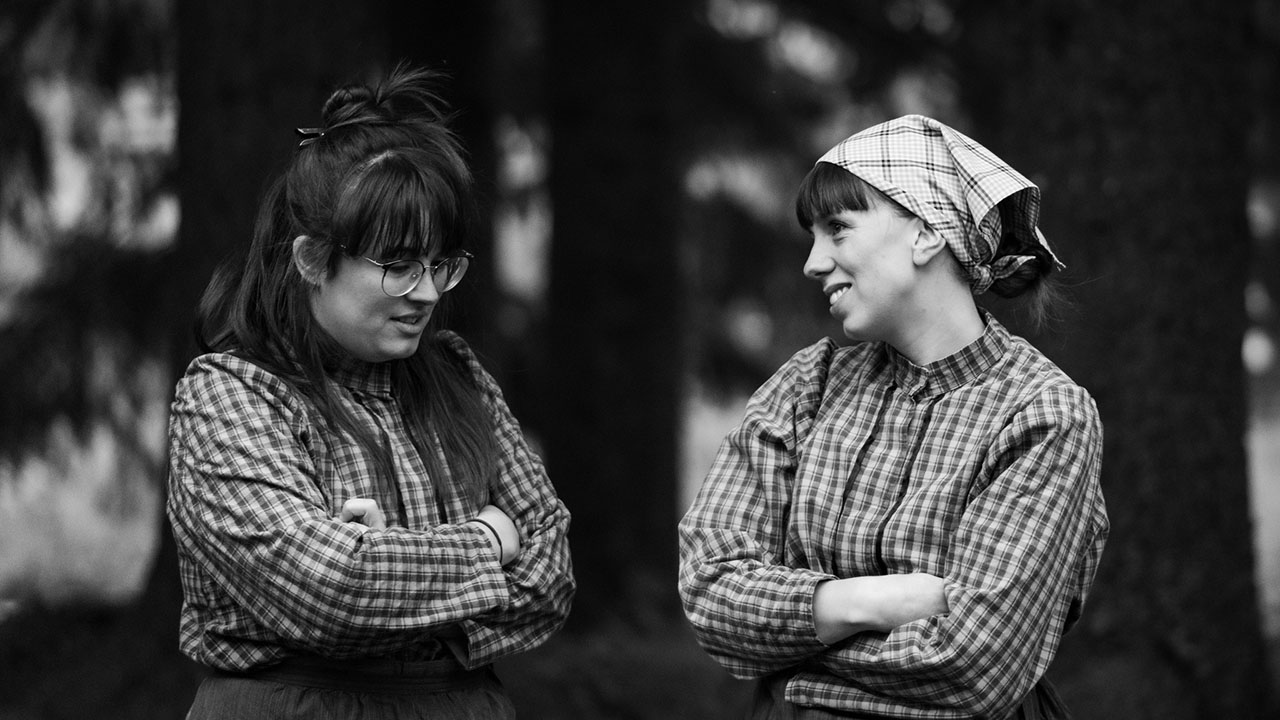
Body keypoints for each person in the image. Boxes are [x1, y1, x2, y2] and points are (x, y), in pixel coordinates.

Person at [167, 64, 574, 719]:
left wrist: (388, 566)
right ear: (310, 259)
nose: (429, 292)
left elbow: (551, 571)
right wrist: (490, 540)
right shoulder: (230, 395)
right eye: (398, 265)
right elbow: (330, 589)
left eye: (442, 263)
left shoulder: (459, 377)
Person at [678, 115, 1107, 719]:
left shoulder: (1042, 413)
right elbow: (710, 591)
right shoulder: (807, 386)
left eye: (838, 229)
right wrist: (877, 601)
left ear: (926, 233)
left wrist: (795, 669)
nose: (812, 262)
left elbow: (975, 664)